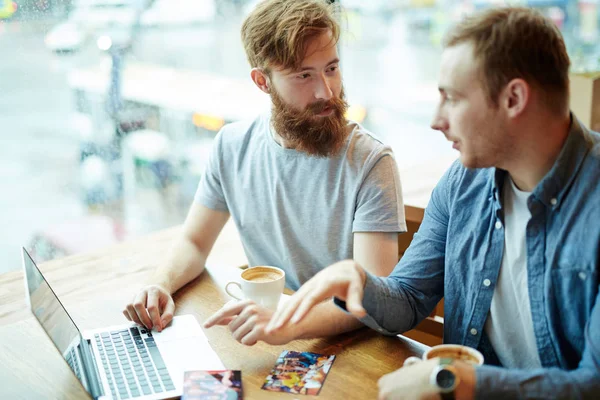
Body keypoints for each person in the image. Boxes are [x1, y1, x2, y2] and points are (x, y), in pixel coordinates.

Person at [263, 7, 600, 399]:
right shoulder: (463, 182)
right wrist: (359, 281)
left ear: (513, 98)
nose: (436, 120)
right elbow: (408, 298)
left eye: (452, 99)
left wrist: (454, 381)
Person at [123, 0, 406, 345]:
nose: (326, 91)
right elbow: (195, 243)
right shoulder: (232, 146)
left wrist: (286, 323)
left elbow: (373, 297)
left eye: (331, 68)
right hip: (273, 335)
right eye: (304, 75)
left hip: (345, 343)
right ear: (262, 81)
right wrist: (161, 284)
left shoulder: (371, 161)